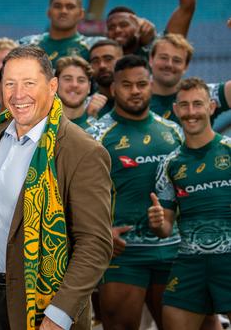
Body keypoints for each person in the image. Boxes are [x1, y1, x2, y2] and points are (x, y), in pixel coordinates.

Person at [0, 46, 112, 330]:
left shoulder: (82, 151)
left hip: (44, 307)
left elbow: (94, 245)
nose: (17, 93)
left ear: (52, 86)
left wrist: (58, 316)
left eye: (28, 83)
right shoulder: (0, 133)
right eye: (9, 83)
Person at [86, 55, 183, 330]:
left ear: (151, 84)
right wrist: (101, 233)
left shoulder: (174, 132)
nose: (135, 91)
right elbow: (75, 194)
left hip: (172, 250)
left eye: (141, 83)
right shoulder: (95, 135)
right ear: (113, 88)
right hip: (124, 252)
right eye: (126, 85)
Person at [149, 77, 231, 329]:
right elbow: (164, 230)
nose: (191, 112)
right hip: (190, 263)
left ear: (211, 106)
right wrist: (158, 223)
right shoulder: (170, 163)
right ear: (176, 110)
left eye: (198, 104)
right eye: (184, 106)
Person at [106, 0, 196, 58]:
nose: (117, 30)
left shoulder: (157, 54)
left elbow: (187, 6)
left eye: (124, 25)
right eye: (111, 27)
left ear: (138, 28)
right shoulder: (100, 61)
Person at [148, 34, 230, 123]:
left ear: (186, 66)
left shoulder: (203, 94)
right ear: (151, 59)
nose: (169, 64)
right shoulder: (135, 98)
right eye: (163, 58)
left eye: (177, 60)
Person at [17, 0, 105, 66]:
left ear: (81, 14)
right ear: (48, 12)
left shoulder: (93, 47)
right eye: (57, 6)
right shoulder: (27, 45)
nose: (63, 11)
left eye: (70, 7)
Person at [54, 56, 99, 130]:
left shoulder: (99, 130)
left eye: (81, 80)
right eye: (67, 79)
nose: (74, 85)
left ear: (89, 87)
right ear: (55, 84)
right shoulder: (41, 126)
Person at [88, 39, 124, 117]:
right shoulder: (85, 108)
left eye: (108, 59)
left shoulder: (139, 101)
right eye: (95, 61)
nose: (102, 66)